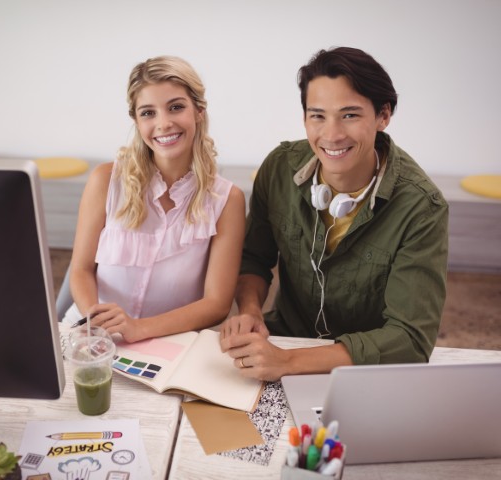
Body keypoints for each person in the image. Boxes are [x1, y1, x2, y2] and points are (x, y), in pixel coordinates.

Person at [220, 47, 448, 381]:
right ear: (304, 118)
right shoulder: (279, 168)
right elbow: (254, 258)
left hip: (365, 370)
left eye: (350, 115)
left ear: (383, 115)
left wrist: (290, 362)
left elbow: (410, 339)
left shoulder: (422, 207)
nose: (332, 135)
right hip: (283, 341)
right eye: (318, 116)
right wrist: (251, 310)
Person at [65, 55, 245, 343]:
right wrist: (96, 324)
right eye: (148, 113)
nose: (163, 123)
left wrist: (138, 329)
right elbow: (81, 270)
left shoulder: (227, 200)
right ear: (136, 120)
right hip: (90, 333)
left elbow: (217, 304)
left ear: (198, 111)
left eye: (176, 107)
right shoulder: (105, 180)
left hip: (168, 342)